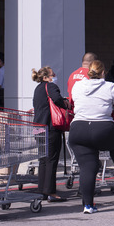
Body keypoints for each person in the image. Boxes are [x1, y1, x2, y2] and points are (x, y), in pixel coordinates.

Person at [68, 60, 114, 214]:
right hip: (102, 128)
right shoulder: (109, 86)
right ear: (103, 73)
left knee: (87, 169)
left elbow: (74, 100)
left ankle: (88, 206)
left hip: (78, 129)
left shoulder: (78, 86)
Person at [31, 66, 69, 202]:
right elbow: (57, 99)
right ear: (46, 77)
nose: (55, 76)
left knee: (43, 159)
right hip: (50, 127)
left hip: (38, 126)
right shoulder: (50, 86)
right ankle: (50, 191)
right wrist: (66, 104)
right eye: (53, 74)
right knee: (52, 159)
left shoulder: (38, 89)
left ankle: (42, 189)